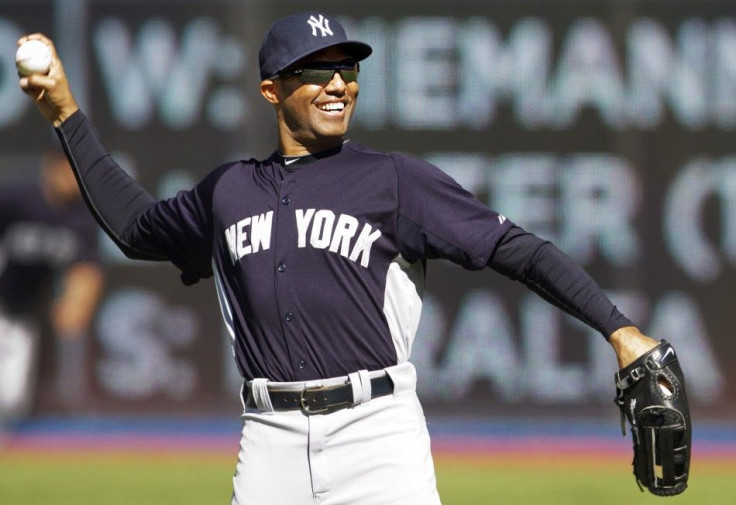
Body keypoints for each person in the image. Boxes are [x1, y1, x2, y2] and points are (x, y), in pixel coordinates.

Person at [19, 12, 661, 504]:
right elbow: (134, 227)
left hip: (377, 433)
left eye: (347, 69)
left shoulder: (393, 181)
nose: (337, 84)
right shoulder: (228, 191)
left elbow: (514, 249)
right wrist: (65, 113)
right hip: (268, 438)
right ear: (273, 90)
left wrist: (618, 329)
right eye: (316, 70)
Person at [0, 150, 104, 421]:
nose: (74, 178)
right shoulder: (17, 199)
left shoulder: (81, 219)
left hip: (22, 315)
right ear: (51, 167)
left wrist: (76, 302)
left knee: (10, 399)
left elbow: (86, 270)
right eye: (68, 169)